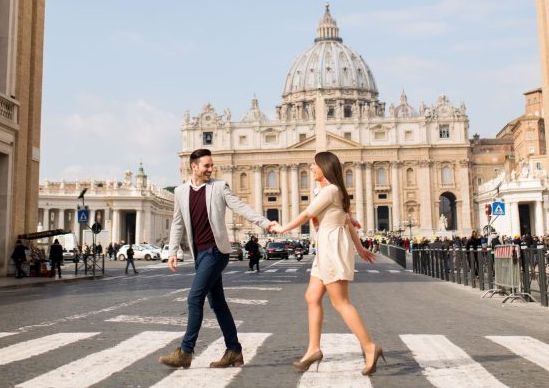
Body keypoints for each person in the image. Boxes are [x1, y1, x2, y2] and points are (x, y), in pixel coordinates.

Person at [159, 148, 279, 369]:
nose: (210, 169)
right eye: (206, 165)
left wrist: (265, 223)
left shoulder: (219, 187)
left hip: (216, 252)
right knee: (218, 303)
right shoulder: (180, 191)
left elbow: (240, 207)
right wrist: (172, 251)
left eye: (211, 165)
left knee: (194, 299)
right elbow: (178, 223)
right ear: (193, 167)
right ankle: (234, 350)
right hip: (199, 254)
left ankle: (186, 351)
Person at [271, 151, 382, 376]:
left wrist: (282, 228)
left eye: (314, 165)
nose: (311, 168)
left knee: (340, 302)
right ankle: (313, 349)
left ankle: (370, 347)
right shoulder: (333, 191)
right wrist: (359, 248)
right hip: (327, 246)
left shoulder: (330, 190)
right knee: (312, 297)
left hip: (331, 246)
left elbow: (306, 214)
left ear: (325, 167)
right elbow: (349, 221)